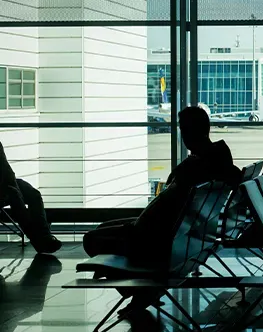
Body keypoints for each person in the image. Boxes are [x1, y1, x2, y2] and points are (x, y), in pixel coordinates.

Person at [82, 106, 242, 268]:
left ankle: (136, 281)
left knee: (91, 238)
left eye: (183, 129)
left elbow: (171, 189)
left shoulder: (194, 169)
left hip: (154, 238)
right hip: (170, 234)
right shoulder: (213, 163)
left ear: (188, 132)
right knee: (103, 228)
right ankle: (132, 282)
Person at [0, 143, 61, 254]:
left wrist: (10, 183)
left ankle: (42, 236)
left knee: (34, 194)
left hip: (5, 183)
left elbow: (5, 169)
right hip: (6, 185)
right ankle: (38, 239)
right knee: (15, 194)